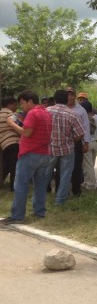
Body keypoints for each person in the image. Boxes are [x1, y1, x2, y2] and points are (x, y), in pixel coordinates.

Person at [0, 91, 54, 224]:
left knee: (21, 185)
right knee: (40, 186)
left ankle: (17, 215)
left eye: (23, 103)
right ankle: (39, 212)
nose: (22, 107)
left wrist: (11, 123)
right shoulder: (46, 113)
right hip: (44, 154)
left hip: (29, 154)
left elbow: (26, 133)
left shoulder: (33, 113)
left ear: (30, 101)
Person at [47, 90, 86, 205]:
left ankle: (39, 197)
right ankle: (60, 200)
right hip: (67, 149)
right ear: (66, 100)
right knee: (65, 174)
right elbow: (80, 133)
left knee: (45, 173)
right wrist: (72, 139)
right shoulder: (72, 114)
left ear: (54, 99)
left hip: (50, 148)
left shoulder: (46, 111)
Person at [66, 87, 90, 197]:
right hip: (64, 143)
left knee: (76, 167)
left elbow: (86, 127)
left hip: (77, 142)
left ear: (74, 96)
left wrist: (86, 143)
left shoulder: (81, 110)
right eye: (67, 95)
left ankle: (76, 190)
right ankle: (63, 190)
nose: (69, 97)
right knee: (64, 167)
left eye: (71, 95)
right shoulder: (62, 108)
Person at [0, 97, 21, 191]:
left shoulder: (0, 113)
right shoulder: (11, 114)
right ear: (9, 105)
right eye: (15, 104)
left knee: (6, 165)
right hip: (14, 142)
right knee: (14, 166)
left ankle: (2, 181)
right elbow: (20, 125)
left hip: (4, 143)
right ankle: (13, 186)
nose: (16, 107)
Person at [80, 100, 97, 189]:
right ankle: (86, 181)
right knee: (91, 165)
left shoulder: (84, 118)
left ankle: (91, 184)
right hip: (95, 142)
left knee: (87, 166)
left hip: (87, 143)